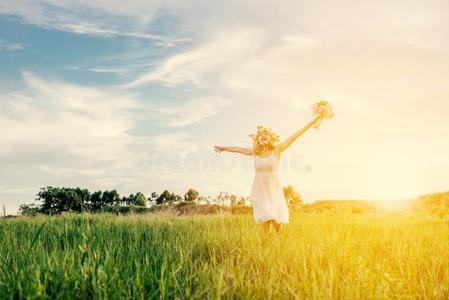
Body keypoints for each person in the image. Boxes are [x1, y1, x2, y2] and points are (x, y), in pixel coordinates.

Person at [214, 114, 323, 233]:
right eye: (261, 135)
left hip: (273, 186)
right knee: (265, 215)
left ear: (271, 138)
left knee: (276, 216)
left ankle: (277, 240)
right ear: (258, 139)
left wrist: (314, 121)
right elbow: (238, 149)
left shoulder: (277, 150)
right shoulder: (254, 152)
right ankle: (266, 240)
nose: (264, 135)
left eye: (267, 135)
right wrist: (224, 148)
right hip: (259, 187)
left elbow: (296, 135)